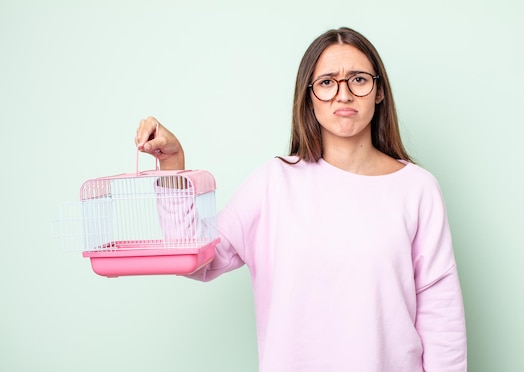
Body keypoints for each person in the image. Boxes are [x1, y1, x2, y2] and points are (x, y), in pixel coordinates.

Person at [136, 27, 466, 372]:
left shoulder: (417, 188)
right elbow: (197, 259)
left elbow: (442, 317)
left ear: (378, 91)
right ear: (308, 96)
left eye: (358, 79)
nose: (343, 94)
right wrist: (172, 166)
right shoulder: (273, 183)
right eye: (326, 82)